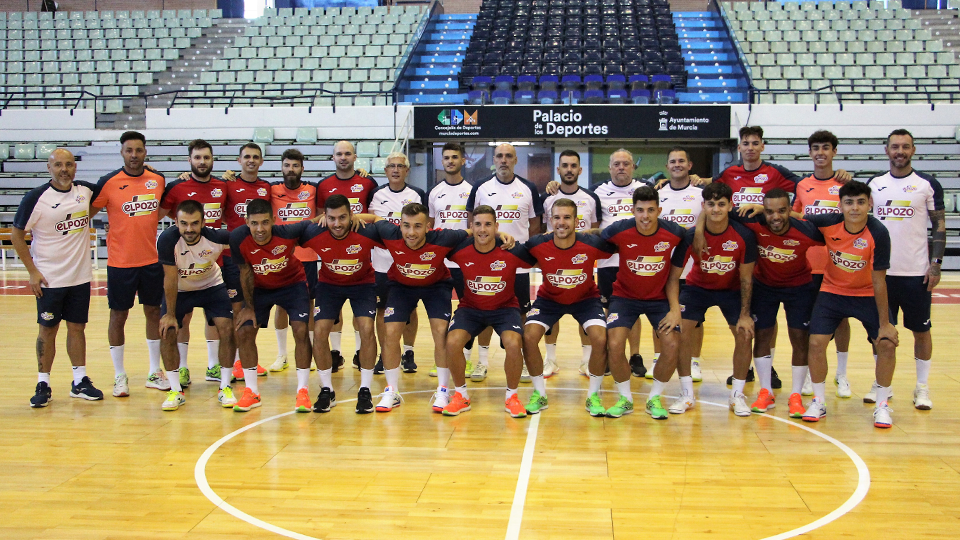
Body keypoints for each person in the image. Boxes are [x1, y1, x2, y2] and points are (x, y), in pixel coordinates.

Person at [799, 181, 898, 428]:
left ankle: (883, 404)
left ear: (870, 204)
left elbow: (879, 282)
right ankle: (818, 401)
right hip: (833, 292)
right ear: (840, 205)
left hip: (867, 295)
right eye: (849, 202)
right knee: (815, 342)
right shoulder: (827, 222)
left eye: (861, 202)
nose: (855, 208)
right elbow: (794, 217)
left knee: (885, 344)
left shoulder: (879, 233)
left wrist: (885, 324)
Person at [13, 149, 103, 407]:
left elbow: (114, 187)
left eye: (69, 164)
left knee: (77, 328)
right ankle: (43, 382)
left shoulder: (85, 191)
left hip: (80, 277)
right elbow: (17, 236)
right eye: (58, 165)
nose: (64, 169)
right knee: (47, 330)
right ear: (49, 168)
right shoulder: (36, 198)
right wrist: (32, 271)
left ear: (75, 167)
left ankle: (79, 380)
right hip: (50, 280)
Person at [866, 129, 944, 410]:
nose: (900, 151)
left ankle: (921, 387)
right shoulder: (875, 184)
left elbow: (939, 227)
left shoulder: (927, 184)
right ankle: (880, 383)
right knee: (880, 332)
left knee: (921, 331)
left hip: (916, 273)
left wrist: (935, 265)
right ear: (887, 150)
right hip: (881, 275)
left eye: (906, 147)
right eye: (895, 146)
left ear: (913, 150)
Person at [374, 201, 476, 413]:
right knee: (390, 331)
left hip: (436, 286)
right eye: (406, 225)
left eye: (418, 226)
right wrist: (357, 218)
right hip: (401, 286)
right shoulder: (389, 234)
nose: (411, 232)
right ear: (399, 225)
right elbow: (374, 219)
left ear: (428, 225)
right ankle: (392, 391)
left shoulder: (444, 238)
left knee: (441, 332)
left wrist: (503, 235)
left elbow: (472, 230)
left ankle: (443, 390)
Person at [731, 189, 824, 418]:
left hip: (800, 288)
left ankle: (795, 395)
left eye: (781, 211)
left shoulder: (807, 230)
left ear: (790, 210)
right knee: (761, 336)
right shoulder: (753, 222)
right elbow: (717, 209)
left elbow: (834, 235)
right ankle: (765, 391)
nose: (775, 217)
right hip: (764, 286)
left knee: (799, 338)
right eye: (770, 211)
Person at [91, 131, 166, 398]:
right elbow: (87, 211)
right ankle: (119, 375)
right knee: (118, 316)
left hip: (151, 260)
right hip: (120, 263)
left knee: (154, 314)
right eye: (129, 150)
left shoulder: (157, 180)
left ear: (145, 152)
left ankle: (154, 371)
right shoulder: (108, 182)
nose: (134, 155)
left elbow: (163, 209)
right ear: (122, 152)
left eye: (138, 150)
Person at [672, 182, 757, 417]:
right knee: (682, 331)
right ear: (703, 207)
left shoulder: (744, 235)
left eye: (721, 204)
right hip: (697, 288)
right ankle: (687, 393)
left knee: (744, 333)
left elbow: (747, 279)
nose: (716, 209)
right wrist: (673, 309)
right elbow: (674, 275)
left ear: (730, 205)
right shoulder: (692, 235)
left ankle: (737, 394)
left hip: (731, 290)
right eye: (711, 204)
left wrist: (745, 314)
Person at [442, 205, 535, 418]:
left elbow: (540, 257)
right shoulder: (460, 250)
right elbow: (435, 244)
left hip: (504, 309)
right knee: (453, 342)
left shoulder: (511, 250)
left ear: (496, 227)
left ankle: (512, 397)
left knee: (513, 343)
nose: (483, 229)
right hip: (471, 308)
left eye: (488, 224)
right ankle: (460, 395)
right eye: (478, 224)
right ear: (471, 227)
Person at [523, 198, 615, 415]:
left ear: (576, 221)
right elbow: (512, 253)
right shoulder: (537, 244)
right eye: (556, 217)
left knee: (601, 338)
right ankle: (539, 394)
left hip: (585, 299)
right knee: (528, 337)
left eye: (567, 218)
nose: (561, 222)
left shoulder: (590, 243)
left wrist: (598, 231)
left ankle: (593, 396)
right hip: (549, 300)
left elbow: (618, 244)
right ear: (550, 220)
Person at [159, 139, 238, 387]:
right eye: (197, 157)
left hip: (214, 256)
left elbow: (231, 213)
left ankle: (214, 365)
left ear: (212, 159)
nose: (202, 162)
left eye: (206, 157)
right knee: (183, 318)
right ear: (189, 160)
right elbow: (158, 214)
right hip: (183, 259)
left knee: (216, 319)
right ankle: (182, 368)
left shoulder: (223, 185)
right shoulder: (177, 186)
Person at [299, 194, 386, 414]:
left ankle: (365, 389)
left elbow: (378, 220)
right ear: (325, 218)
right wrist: (316, 219)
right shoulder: (314, 232)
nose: (337, 224)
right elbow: (293, 229)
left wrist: (363, 217)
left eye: (342, 217)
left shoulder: (365, 231)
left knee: (366, 328)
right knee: (319, 332)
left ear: (351, 216)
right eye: (332, 218)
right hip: (329, 285)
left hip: (363, 284)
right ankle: (326, 389)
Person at [465, 143, 543, 381]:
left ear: (515, 160)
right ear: (494, 159)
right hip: (486, 261)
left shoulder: (528, 188)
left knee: (520, 313)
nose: (503, 160)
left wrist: (527, 254)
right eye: (499, 156)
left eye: (508, 156)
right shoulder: (480, 187)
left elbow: (535, 226)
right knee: (486, 309)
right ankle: (483, 362)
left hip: (516, 264)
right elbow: (472, 222)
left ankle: (520, 362)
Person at [230, 199, 312, 412]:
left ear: (274, 221)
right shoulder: (238, 238)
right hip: (260, 288)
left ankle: (302, 390)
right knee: (245, 330)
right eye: (255, 223)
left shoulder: (288, 232)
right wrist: (248, 307)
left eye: (265, 223)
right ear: (247, 222)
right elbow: (245, 272)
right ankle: (252, 391)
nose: (260, 229)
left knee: (301, 329)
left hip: (292, 284)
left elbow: (317, 222)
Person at [156, 201, 237, 411]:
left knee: (227, 328)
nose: (189, 229)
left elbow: (244, 238)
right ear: (176, 222)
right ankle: (176, 390)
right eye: (184, 223)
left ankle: (225, 386)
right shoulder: (166, 240)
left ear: (203, 222)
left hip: (211, 286)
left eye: (194, 224)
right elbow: (170, 278)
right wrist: (170, 315)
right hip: (181, 290)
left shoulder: (217, 237)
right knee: (167, 331)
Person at [792, 130, 851, 397]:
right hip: (808, 265)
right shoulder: (803, 186)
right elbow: (795, 217)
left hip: (838, 264)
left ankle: (842, 373)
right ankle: (808, 375)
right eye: (815, 147)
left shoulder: (845, 185)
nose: (820, 152)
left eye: (825, 147)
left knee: (840, 320)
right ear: (810, 152)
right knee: (808, 323)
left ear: (834, 151)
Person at [315, 141, 379, 369]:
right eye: (339, 154)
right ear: (333, 157)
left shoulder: (368, 182)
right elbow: (318, 217)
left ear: (355, 157)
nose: (343, 157)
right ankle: (336, 352)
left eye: (347, 154)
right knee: (333, 311)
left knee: (361, 313)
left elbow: (373, 214)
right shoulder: (323, 185)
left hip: (359, 252)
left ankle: (361, 352)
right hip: (332, 253)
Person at [538, 150, 601, 378]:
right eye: (565, 165)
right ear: (558, 170)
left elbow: (595, 229)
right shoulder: (547, 197)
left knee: (584, 310)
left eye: (573, 166)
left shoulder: (591, 198)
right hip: (554, 265)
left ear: (580, 170)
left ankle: (586, 361)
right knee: (550, 312)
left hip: (581, 264)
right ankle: (551, 359)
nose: (569, 170)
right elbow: (542, 230)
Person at [589, 149, 650, 376]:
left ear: (633, 166)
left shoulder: (644, 190)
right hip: (608, 262)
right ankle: (608, 355)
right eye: (617, 164)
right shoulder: (598, 192)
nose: (621, 167)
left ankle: (634, 356)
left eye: (626, 163)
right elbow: (594, 225)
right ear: (610, 167)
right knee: (607, 310)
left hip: (637, 262)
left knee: (633, 310)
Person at [218, 143, 272, 383]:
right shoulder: (227, 185)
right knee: (237, 311)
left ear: (261, 162)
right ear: (239, 161)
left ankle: (245, 359)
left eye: (255, 157)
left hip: (259, 259)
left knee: (254, 309)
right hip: (233, 258)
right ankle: (237, 363)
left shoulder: (267, 188)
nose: (251, 160)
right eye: (247, 157)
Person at [369, 152, 426, 375]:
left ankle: (408, 352)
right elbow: (370, 223)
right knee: (381, 310)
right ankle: (385, 354)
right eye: (391, 166)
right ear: (385, 170)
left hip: (408, 264)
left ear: (407, 170)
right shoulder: (376, 194)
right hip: (381, 264)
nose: (395, 169)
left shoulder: (417, 194)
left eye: (400, 166)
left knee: (410, 309)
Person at [652, 147, 704, 381]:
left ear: (690, 165)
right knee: (660, 314)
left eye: (681, 161)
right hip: (664, 266)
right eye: (672, 161)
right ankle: (658, 356)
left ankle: (694, 361)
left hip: (693, 267)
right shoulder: (659, 194)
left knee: (694, 319)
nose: (677, 165)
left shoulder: (701, 194)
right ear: (667, 167)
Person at [427, 142, 477, 378]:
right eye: (446, 157)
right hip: (440, 263)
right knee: (441, 313)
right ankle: (444, 359)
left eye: (454, 157)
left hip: (466, 262)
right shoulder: (435, 192)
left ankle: (465, 359)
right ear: (442, 161)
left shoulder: (473, 190)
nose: (450, 161)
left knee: (468, 310)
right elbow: (430, 226)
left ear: (463, 161)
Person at [269, 149, 320, 374]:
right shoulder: (271, 191)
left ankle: (307, 351)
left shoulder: (312, 190)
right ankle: (282, 355)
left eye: (295, 165)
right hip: (282, 257)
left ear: (302, 168)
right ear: (282, 167)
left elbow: (321, 215)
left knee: (308, 304)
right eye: (287, 165)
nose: (291, 169)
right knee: (281, 305)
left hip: (307, 257)